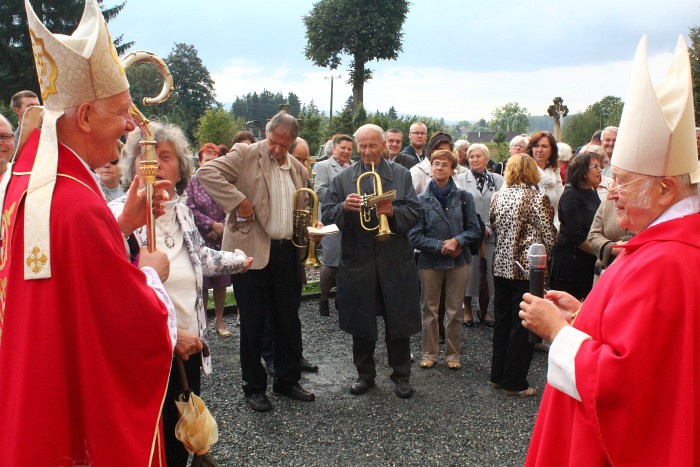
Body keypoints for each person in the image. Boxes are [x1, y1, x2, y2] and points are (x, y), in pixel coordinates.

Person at [0, 1, 177, 464]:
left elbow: (60, 275)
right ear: (82, 117)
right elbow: (120, 324)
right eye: (120, 112)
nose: (127, 126)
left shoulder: (25, 177)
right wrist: (151, 274)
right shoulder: (76, 203)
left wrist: (119, 226)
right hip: (71, 407)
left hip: (30, 386)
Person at [520, 35, 700, 465]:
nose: (612, 193)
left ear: (665, 188)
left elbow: (626, 381)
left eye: (623, 180)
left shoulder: (667, 260)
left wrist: (558, 332)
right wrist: (583, 314)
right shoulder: (666, 244)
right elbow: (647, 343)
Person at [113, 122, 252, 466]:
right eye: (148, 157)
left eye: (165, 156)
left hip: (188, 349)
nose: (156, 163)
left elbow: (199, 257)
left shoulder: (183, 213)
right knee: (153, 444)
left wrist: (237, 261)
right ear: (133, 166)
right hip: (147, 352)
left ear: (181, 169)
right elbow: (113, 290)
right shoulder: (118, 217)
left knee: (183, 438)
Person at [197, 111, 316, 412]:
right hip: (250, 254)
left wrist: (314, 230)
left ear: (292, 144)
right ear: (267, 132)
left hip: (288, 252)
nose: (277, 150)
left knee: (287, 320)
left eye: (284, 146)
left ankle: (287, 380)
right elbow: (206, 173)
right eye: (274, 142)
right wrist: (238, 201)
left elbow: (305, 205)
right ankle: (254, 387)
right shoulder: (245, 153)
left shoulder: (298, 170)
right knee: (253, 322)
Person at [322, 124, 421, 399]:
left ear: (383, 145)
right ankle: (365, 375)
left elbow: (414, 211)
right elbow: (327, 213)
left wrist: (393, 211)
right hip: (359, 259)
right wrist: (343, 207)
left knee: (397, 320)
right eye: (362, 146)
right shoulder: (343, 179)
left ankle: (401, 375)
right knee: (361, 321)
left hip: (393, 259)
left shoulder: (401, 175)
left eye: (372, 145)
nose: (367, 151)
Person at [489, 153, 556, 397]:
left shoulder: (498, 196)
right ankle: (514, 382)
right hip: (526, 270)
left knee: (503, 321)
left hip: (501, 267)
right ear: (532, 172)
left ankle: (497, 376)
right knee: (523, 324)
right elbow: (549, 237)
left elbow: (493, 226)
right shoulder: (537, 199)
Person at [409, 149, 481, 370]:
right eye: (436, 164)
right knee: (429, 309)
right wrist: (442, 246)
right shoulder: (420, 200)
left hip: (459, 262)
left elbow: (474, 230)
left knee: (454, 310)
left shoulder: (463, 197)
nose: (439, 168)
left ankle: (452, 355)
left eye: (444, 165)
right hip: (430, 262)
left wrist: (457, 241)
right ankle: (429, 353)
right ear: (431, 167)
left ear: (452, 169)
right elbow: (414, 236)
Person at [186, 143, 233, 337]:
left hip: (222, 236)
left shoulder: (224, 181)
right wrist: (211, 226)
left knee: (221, 281)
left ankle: (220, 321)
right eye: (206, 161)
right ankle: (203, 320)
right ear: (199, 161)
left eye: (214, 161)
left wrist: (222, 227)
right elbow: (190, 207)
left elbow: (232, 204)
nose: (210, 164)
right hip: (201, 236)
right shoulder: (192, 182)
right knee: (203, 282)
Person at [457, 143, 503, 327]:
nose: (474, 160)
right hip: (468, 234)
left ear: (486, 158)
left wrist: (490, 227)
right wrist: (473, 229)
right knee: (469, 274)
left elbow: (501, 205)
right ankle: (467, 310)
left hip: (491, 234)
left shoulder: (498, 180)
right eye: (471, 157)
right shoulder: (460, 179)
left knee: (488, 274)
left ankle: (484, 311)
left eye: (478, 156)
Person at [549, 152, 602, 300]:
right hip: (571, 264)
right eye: (596, 166)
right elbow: (576, 237)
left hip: (587, 261)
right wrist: (603, 252)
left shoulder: (591, 192)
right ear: (583, 172)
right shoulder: (571, 196)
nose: (600, 170)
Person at [313, 134, 354, 316]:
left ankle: (342, 297)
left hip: (352, 219)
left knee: (349, 259)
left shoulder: (355, 167)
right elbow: (320, 190)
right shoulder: (323, 166)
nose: (346, 151)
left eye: (349, 148)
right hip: (332, 218)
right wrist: (343, 200)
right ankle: (323, 298)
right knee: (331, 261)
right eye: (342, 147)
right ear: (334, 148)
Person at [527, 131, 563, 226]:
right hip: (527, 233)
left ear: (552, 150)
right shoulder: (522, 172)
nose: (539, 150)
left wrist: (555, 229)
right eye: (536, 146)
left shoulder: (555, 172)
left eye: (544, 146)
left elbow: (560, 206)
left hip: (550, 231)